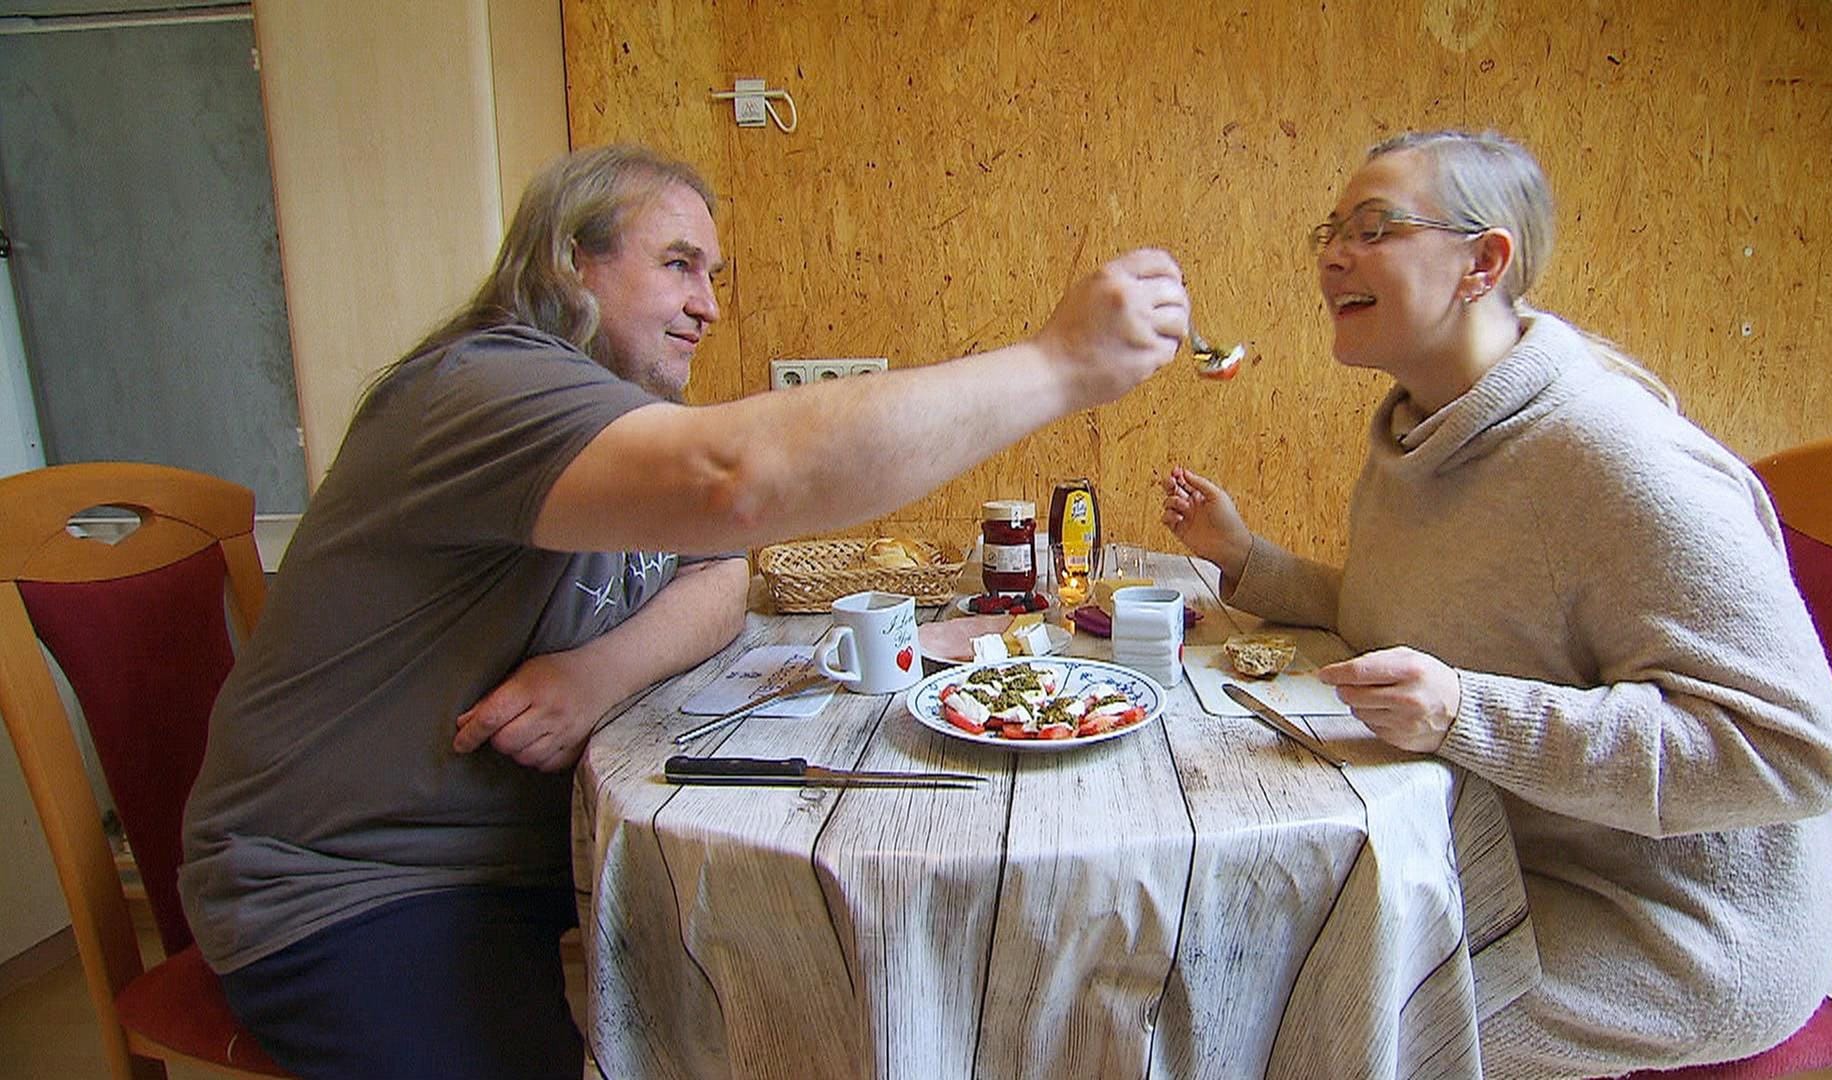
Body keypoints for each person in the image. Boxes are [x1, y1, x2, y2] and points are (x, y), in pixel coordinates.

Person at [181, 143, 1190, 1079]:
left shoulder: (615, 414)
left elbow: (721, 575)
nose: (708, 306)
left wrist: (599, 672)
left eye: (714, 275)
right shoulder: (483, 388)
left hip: (541, 857)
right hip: (346, 889)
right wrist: (1057, 365)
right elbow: (736, 482)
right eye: (677, 264)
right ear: (569, 264)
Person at [1161, 130, 1832, 1077]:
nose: (1331, 255)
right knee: (1218, 962)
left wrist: (1465, 713)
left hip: (1676, 927)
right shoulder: (1423, 434)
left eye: (1374, 228)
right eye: (1331, 230)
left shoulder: (1614, 457)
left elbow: (1787, 756)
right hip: (1494, 855)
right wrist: (1249, 561)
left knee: (1292, 1026)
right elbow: (1417, 625)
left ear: (1484, 262)